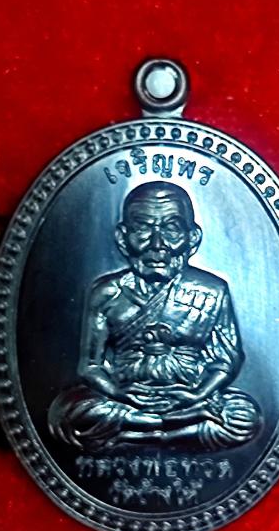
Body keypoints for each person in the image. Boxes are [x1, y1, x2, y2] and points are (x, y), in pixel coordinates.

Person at [48, 181, 262, 452]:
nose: (157, 244)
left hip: (189, 397)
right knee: (69, 415)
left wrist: (197, 394)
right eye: (142, 229)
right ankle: (173, 432)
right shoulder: (107, 293)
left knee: (244, 417)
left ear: (192, 238)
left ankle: (138, 436)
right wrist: (118, 393)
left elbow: (226, 361)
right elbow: (90, 366)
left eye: (171, 229)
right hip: (127, 398)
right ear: (122, 238)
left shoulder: (211, 291)